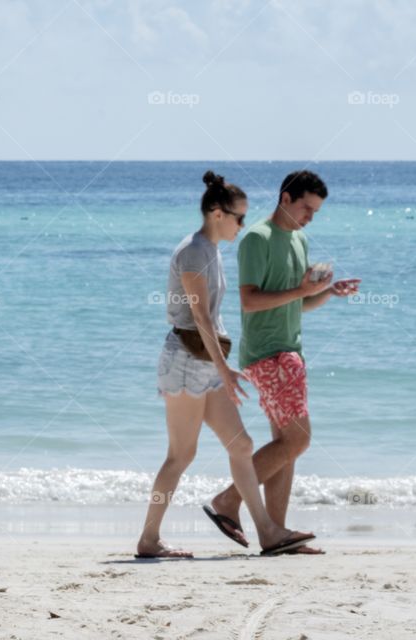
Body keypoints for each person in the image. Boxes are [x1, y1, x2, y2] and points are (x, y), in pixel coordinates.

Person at [136, 171, 317, 559]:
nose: (242, 225)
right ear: (217, 214)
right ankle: (149, 539)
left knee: (243, 445)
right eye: (239, 217)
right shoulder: (193, 253)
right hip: (186, 362)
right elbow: (199, 319)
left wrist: (220, 368)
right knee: (181, 456)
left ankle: (266, 531)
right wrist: (223, 369)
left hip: (206, 363)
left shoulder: (211, 249)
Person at [207, 170, 360, 555]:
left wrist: (326, 292)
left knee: (285, 444)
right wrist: (302, 289)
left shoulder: (300, 239)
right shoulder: (257, 238)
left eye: (316, 211)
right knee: (299, 439)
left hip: (289, 351)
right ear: (285, 199)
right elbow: (249, 301)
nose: (310, 216)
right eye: (306, 207)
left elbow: (298, 302)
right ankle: (227, 500)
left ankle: (275, 534)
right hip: (270, 353)